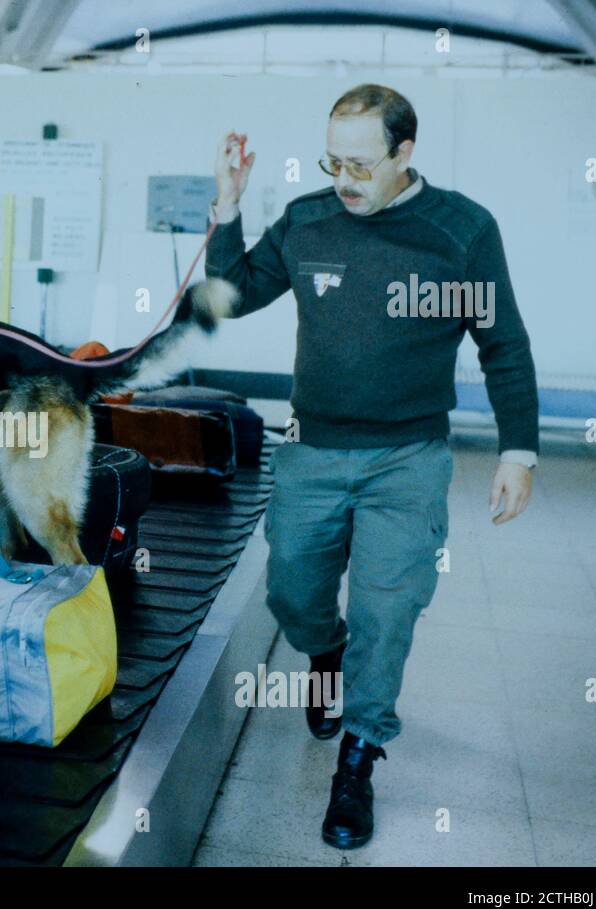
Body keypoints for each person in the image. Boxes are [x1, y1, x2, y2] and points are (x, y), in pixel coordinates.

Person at [205, 84, 539, 849]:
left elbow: (503, 344)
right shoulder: (309, 219)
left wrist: (518, 451)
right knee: (292, 591)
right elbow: (230, 296)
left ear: (404, 153)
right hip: (313, 449)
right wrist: (228, 207)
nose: (344, 178)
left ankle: (357, 760)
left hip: (407, 458)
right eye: (332, 160)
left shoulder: (460, 231)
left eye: (360, 163)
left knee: (388, 613)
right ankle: (325, 650)